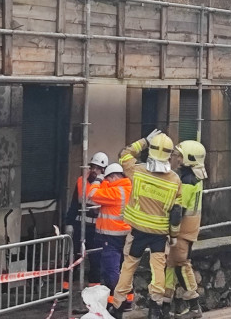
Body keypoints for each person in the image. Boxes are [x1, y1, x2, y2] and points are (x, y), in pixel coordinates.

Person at [107, 129, 182, 319]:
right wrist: (173, 237)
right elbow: (176, 214)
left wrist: (144, 141)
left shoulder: (137, 171)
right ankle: (155, 308)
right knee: (158, 270)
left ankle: (117, 306)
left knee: (128, 268)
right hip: (159, 234)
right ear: (169, 154)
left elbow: (123, 154)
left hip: (137, 232)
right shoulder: (175, 180)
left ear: (152, 151)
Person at [164, 140, 207, 319]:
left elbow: (178, 209)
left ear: (188, 158)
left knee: (181, 264)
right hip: (189, 228)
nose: (177, 158)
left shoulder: (187, 181)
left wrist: (172, 231)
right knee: (171, 265)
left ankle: (194, 305)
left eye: (180, 155)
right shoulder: (195, 177)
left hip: (182, 230)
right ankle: (166, 304)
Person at [89, 162, 133, 311]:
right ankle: (125, 300)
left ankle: (118, 301)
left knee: (111, 270)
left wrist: (98, 179)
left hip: (111, 237)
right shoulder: (127, 188)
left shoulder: (116, 192)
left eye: (108, 179)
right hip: (125, 235)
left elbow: (92, 195)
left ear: (113, 177)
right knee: (123, 269)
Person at [66, 151, 109, 286]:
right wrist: (69, 223)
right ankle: (65, 287)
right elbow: (74, 204)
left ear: (103, 170)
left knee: (95, 259)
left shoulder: (106, 184)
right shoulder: (81, 181)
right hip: (80, 224)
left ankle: (93, 290)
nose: (94, 170)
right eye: (92, 167)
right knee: (74, 256)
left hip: (96, 228)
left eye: (97, 168)